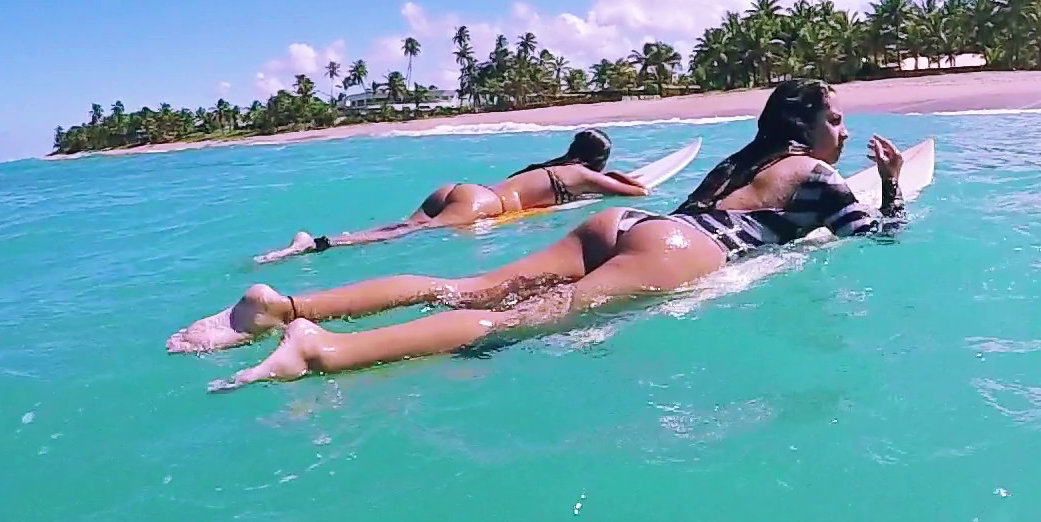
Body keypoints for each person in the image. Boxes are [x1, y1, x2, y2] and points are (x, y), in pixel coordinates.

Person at [171, 80, 906, 392]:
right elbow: (875, 238)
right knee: (514, 319)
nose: (842, 132)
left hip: (627, 226)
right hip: (682, 249)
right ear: (805, 126)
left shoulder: (740, 160)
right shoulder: (817, 174)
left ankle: (287, 306)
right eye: (835, 120)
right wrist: (895, 184)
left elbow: (693, 211)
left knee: (464, 285)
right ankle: (322, 351)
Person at [253, 128, 648, 262]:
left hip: (460, 190)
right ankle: (317, 244)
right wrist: (611, 176)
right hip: (485, 206)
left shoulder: (549, 166)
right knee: (402, 235)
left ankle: (322, 240)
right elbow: (638, 191)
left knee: (403, 226)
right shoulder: (583, 173)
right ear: (599, 159)